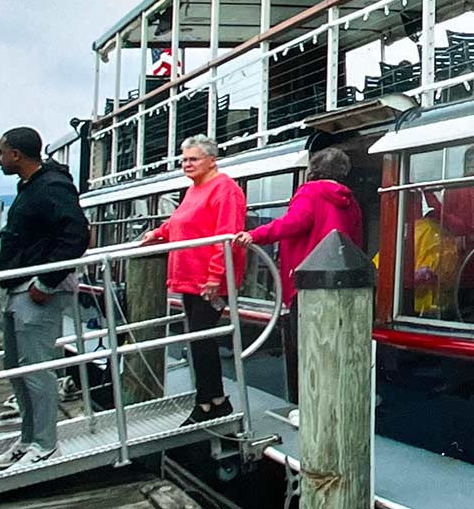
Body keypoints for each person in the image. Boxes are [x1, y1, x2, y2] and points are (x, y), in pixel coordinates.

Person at [0, 127, 90, 471]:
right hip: (16, 288)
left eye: (2, 152)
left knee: (36, 370)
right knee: (16, 369)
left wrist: (46, 282)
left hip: (36, 293)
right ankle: (28, 438)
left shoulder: (52, 186)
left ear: (16, 154)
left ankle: (45, 444)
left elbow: (76, 234)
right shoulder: (32, 187)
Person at [235, 147, 362, 400]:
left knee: (304, 347)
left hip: (306, 284)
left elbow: (296, 221)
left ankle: (305, 403)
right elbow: (355, 243)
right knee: (331, 346)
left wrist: (255, 235)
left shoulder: (310, 191)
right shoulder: (352, 202)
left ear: (313, 170)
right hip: (340, 285)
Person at [142, 135, 245, 424]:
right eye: (184, 159)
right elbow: (181, 221)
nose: (186, 164)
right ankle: (212, 400)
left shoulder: (225, 189)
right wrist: (159, 233)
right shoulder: (194, 189)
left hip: (208, 281)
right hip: (189, 277)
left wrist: (215, 276)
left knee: (202, 340)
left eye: (193, 159)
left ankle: (210, 402)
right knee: (198, 341)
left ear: (212, 160)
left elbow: (227, 236)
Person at [427, 145, 474, 321]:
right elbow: (460, 231)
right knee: (465, 319)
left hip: (469, 270)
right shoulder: (465, 191)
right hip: (464, 270)